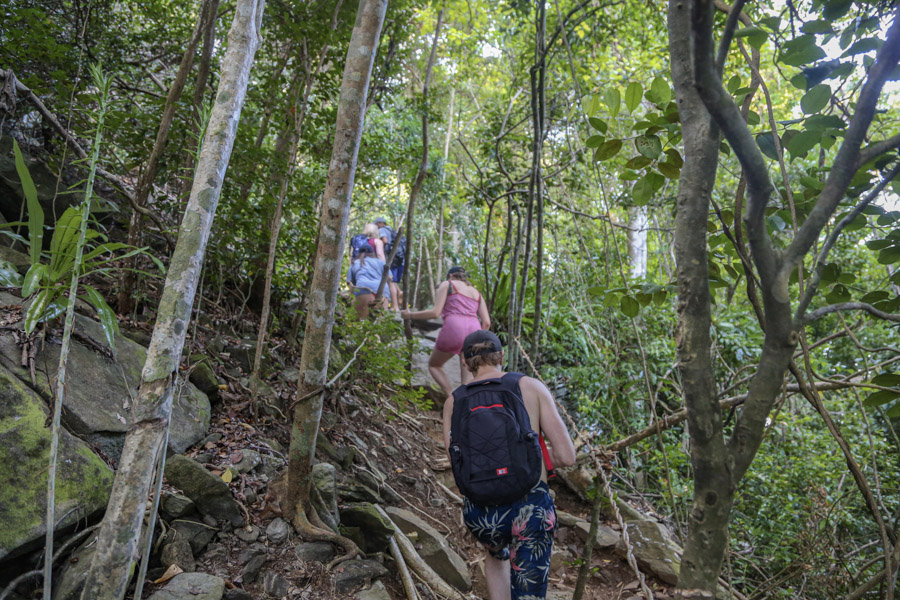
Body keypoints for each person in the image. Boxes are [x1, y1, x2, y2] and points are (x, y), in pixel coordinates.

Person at [443, 330, 576, 600]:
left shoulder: (453, 401)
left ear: (466, 363)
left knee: (496, 552)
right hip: (528, 510)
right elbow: (566, 456)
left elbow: (455, 460)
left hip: (481, 514)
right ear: (502, 356)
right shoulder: (530, 386)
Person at [400, 266, 490, 396]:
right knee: (467, 381)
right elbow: (486, 322)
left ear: (451, 276)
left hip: (454, 328)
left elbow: (435, 313)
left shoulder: (447, 284)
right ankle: (465, 406)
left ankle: (451, 396)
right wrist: (478, 341)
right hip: (474, 332)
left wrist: (409, 315)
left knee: (434, 365)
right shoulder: (476, 293)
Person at [346, 244, 390, 319]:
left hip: (363, 288)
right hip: (382, 290)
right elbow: (390, 278)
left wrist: (351, 299)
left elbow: (351, 285)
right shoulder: (380, 262)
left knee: (360, 321)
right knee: (381, 321)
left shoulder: (354, 264)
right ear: (372, 253)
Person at [374, 216, 402, 309]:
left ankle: (395, 306)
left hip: (389, 257)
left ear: (380, 223)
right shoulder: (391, 230)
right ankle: (399, 292)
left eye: (376, 224)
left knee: (390, 281)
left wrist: (381, 246)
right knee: (392, 280)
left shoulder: (382, 230)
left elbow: (385, 240)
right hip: (397, 258)